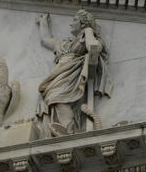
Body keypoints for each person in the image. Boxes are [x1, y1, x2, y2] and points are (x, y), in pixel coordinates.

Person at [35, 9, 112, 137]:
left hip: (70, 74)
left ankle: (67, 129)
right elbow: (46, 40)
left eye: (75, 20)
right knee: (53, 98)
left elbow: (93, 46)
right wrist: (43, 22)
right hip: (57, 75)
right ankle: (60, 127)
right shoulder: (64, 44)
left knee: (58, 98)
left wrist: (89, 32)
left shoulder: (86, 35)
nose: (71, 24)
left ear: (83, 24)